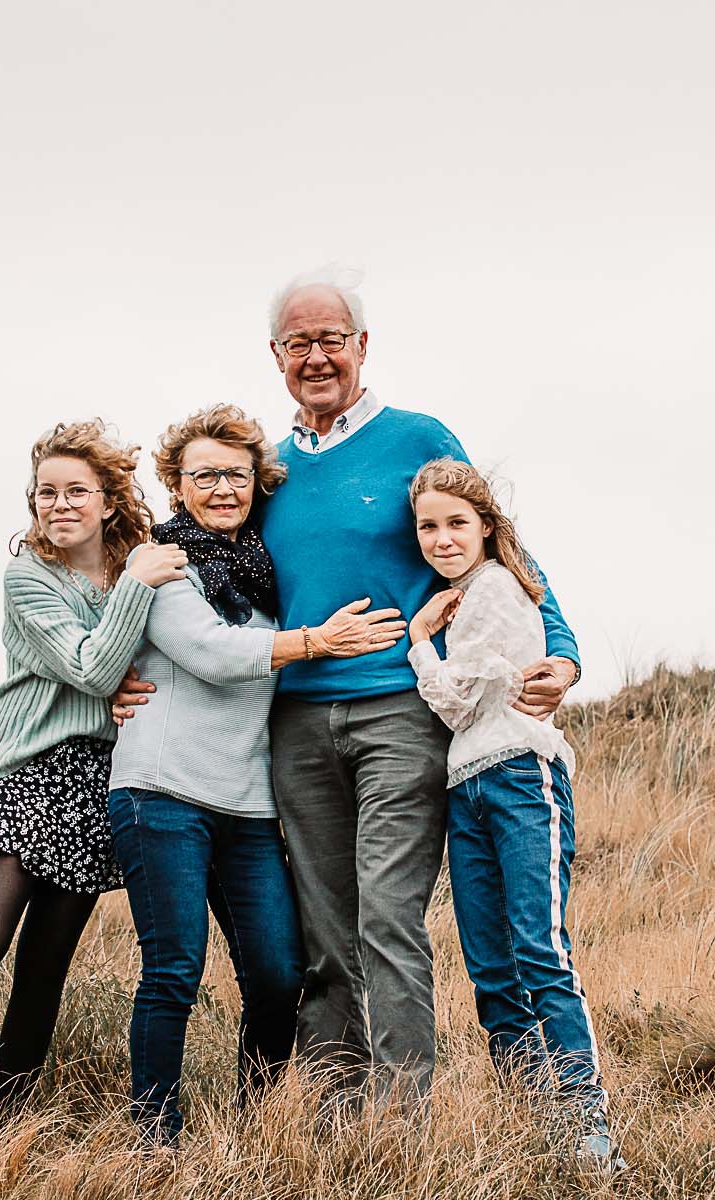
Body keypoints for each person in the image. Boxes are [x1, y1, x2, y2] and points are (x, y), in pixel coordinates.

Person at [111, 268, 585, 1103]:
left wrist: (564, 649)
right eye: (300, 343)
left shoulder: (415, 436)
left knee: (387, 917)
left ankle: (403, 1119)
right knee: (325, 935)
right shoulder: (274, 474)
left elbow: (498, 539)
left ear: (363, 346)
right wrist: (118, 672)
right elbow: (222, 590)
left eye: (333, 338)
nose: (318, 356)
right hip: (293, 728)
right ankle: (338, 1117)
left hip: (400, 712)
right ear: (276, 356)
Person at [108, 403, 406, 1143]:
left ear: (255, 482)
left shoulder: (263, 580)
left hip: (246, 805)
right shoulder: (163, 566)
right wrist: (318, 641)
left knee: (277, 976)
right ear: (177, 484)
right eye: (204, 474)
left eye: (236, 474)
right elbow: (211, 652)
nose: (221, 488)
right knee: (174, 972)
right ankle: (155, 1136)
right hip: (162, 795)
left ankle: (254, 1125)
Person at [0, 420, 187, 1113]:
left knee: (44, 969)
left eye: (77, 489)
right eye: (46, 492)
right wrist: (135, 587)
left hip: (96, 781)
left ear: (108, 499)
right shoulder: (28, 576)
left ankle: (3, 1120)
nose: (60, 503)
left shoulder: (137, 559)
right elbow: (94, 665)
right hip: (23, 770)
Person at [404, 460, 619, 1168]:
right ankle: (536, 1125)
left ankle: (588, 1127)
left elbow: (460, 702)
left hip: (521, 778)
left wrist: (419, 644)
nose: (441, 538)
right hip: (465, 786)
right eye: (427, 526)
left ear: (487, 528)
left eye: (456, 523)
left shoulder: (494, 588)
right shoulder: (461, 595)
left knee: (538, 949)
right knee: (490, 966)